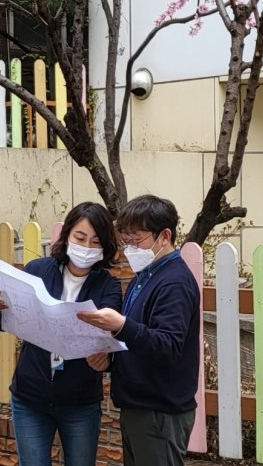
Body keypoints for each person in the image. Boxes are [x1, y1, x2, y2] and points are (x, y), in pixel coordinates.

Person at [0, 201, 122, 466]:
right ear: (67, 236)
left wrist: (106, 359)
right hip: (30, 397)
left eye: (95, 241)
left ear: (104, 248)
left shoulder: (108, 286)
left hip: (79, 401)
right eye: (80, 237)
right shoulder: (37, 270)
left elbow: (109, 339)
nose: (86, 247)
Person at [78, 194, 200, 466]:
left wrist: (121, 326)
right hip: (139, 406)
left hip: (159, 410)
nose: (130, 247)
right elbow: (137, 341)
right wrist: (109, 360)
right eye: (126, 240)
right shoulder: (144, 277)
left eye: (137, 239)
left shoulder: (174, 283)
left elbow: (167, 346)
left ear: (164, 236)